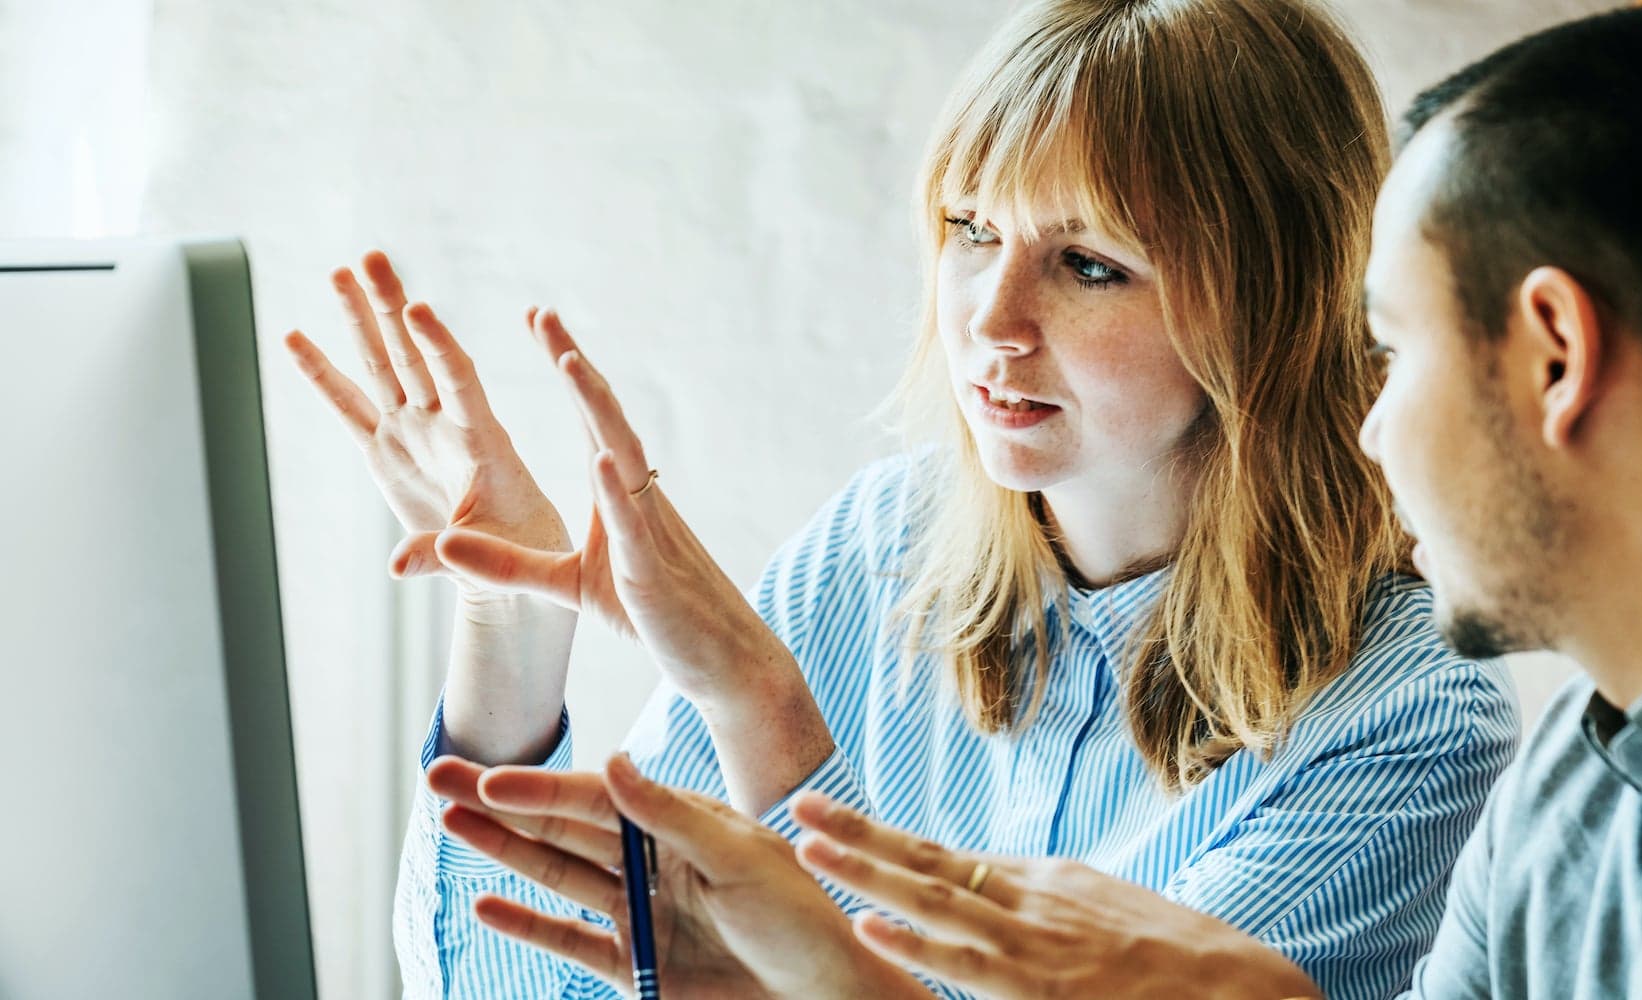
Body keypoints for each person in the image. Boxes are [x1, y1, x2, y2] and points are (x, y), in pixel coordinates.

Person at [434, 4, 1642, 998]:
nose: (1371, 428)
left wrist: (781, 790)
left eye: (1396, 346)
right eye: (971, 233)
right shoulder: (1582, 785)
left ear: (1553, 355)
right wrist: (516, 628)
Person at [284, 0, 1520, 996]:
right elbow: (526, 985)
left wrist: (762, 708)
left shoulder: (1411, 715)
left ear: (1277, 306)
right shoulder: (880, 547)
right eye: (968, 229)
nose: (990, 319)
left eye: (1088, 264)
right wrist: (511, 628)